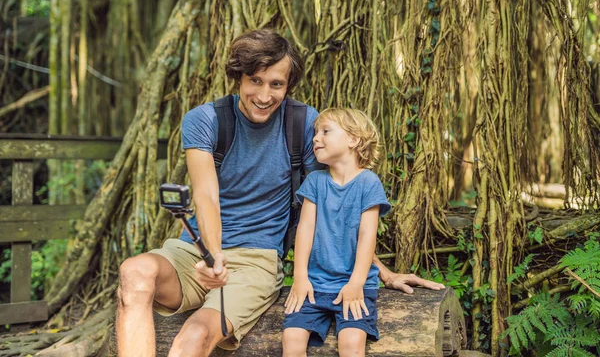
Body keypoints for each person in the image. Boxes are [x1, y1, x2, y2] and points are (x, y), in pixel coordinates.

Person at [116, 29, 444, 357]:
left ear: (288, 86)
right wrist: (212, 256)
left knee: (195, 335)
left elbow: (334, 209)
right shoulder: (205, 120)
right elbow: (206, 195)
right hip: (197, 254)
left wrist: (382, 273)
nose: (264, 95)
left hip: (256, 263)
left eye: (276, 84)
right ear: (238, 78)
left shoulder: (302, 123)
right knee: (134, 272)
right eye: (255, 81)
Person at [282, 108, 390, 357]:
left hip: (353, 285)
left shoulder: (368, 182)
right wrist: (300, 278)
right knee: (292, 339)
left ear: (354, 140)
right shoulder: (315, 182)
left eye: (325, 131)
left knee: (352, 344)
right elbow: (305, 230)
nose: (315, 138)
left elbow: (367, 237)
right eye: (315, 133)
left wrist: (356, 283)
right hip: (314, 284)